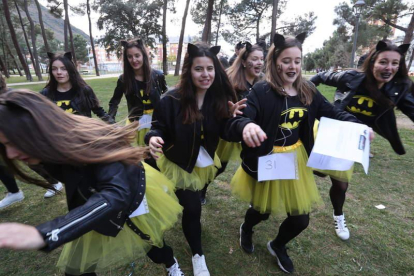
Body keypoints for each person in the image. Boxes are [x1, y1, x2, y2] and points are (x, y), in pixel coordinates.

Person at [225, 33, 370, 274]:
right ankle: (247, 228)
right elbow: (240, 120)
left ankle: (278, 245)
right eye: (286, 60)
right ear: (275, 62)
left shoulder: (307, 90)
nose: (292, 66)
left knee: (301, 219)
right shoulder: (262, 91)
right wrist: (245, 125)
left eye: (297, 60)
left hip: (295, 160)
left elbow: (332, 112)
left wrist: (359, 125)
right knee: (262, 210)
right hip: (268, 159)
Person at [0, 89, 185, 276]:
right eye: (5, 145)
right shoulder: (47, 144)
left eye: (13, 142)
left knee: (150, 241)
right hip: (92, 200)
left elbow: (116, 194)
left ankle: (171, 263)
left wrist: (46, 234)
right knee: (76, 270)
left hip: (129, 197)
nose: (10, 154)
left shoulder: (86, 138)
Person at [145, 42, 237, 276]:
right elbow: (157, 127)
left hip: (201, 162)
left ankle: (197, 254)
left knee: (192, 207)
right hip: (174, 162)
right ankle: (185, 253)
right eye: (199, 69)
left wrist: (235, 120)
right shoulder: (171, 99)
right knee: (179, 207)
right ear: (189, 71)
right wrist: (153, 137)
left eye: (210, 69)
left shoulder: (218, 99)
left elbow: (226, 131)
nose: (205, 74)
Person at [310, 40, 413, 241]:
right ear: (373, 61)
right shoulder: (351, 78)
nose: (389, 68)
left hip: (349, 140)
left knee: (340, 185)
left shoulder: (398, 89)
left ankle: (338, 215)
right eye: (384, 62)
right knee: (308, 168)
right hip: (328, 130)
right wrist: (303, 94)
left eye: (395, 63)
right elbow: (321, 76)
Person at [200, 42, 264, 204]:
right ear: (243, 61)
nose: (259, 63)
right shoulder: (230, 81)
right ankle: (201, 188)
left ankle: (255, 198)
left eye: (261, 59)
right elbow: (212, 104)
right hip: (226, 131)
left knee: (253, 163)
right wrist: (228, 112)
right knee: (219, 165)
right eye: (254, 59)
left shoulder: (261, 84)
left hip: (248, 130)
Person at [0, 73, 59, 206]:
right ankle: (14, 192)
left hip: (21, 137)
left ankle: (55, 182)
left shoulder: (12, 96)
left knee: (33, 162)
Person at [108, 38, 168, 147]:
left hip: (155, 121)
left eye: (137, 55)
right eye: (129, 56)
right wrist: (111, 122)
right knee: (135, 154)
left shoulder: (158, 75)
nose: (134, 60)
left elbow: (167, 96)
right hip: (135, 123)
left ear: (143, 56)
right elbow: (114, 102)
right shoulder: (123, 79)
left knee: (156, 154)